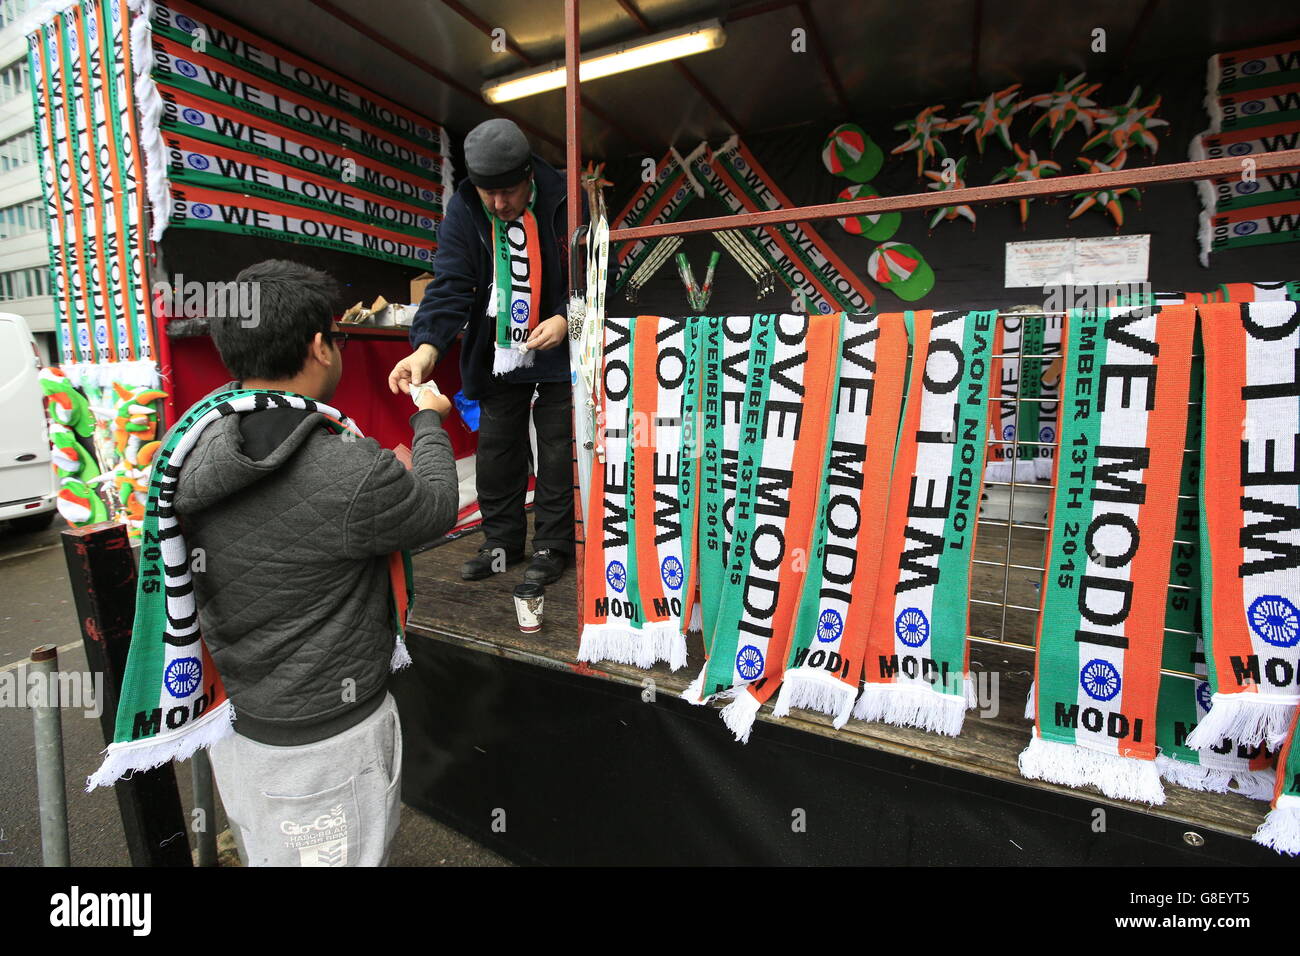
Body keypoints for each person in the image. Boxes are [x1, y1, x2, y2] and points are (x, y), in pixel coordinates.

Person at [172, 259, 458, 866]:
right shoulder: (349, 470)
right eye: (338, 335)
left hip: (240, 730)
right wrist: (429, 416)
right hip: (330, 749)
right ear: (317, 347)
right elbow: (434, 506)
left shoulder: (188, 447)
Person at [388, 118, 575, 585]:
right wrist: (427, 348)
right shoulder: (466, 206)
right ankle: (501, 544)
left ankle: (553, 547)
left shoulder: (570, 196)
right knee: (496, 449)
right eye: (488, 193)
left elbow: (598, 269)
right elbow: (451, 282)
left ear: (529, 174)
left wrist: (568, 318)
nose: (498, 203)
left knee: (555, 450)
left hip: (558, 343)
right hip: (497, 349)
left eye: (508, 192)